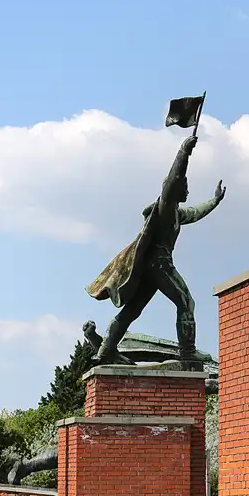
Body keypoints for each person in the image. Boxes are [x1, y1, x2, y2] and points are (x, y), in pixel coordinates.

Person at [86, 135, 226, 368]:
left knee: (133, 309)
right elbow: (172, 179)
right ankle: (188, 353)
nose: (188, 192)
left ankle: (105, 349)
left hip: (149, 267)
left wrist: (215, 201)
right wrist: (184, 152)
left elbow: (196, 212)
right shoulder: (165, 207)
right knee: (185, 302)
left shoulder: (176, 215)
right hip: (159, 263)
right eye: (186, 188)